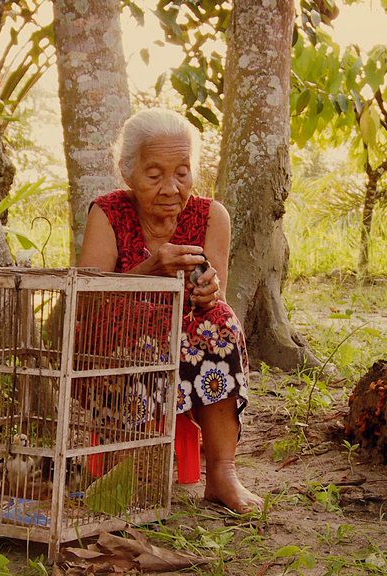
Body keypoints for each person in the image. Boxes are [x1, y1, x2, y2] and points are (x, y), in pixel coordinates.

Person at [77, 108, 263, 513]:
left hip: (186, 335)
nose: (170, 187)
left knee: (220, 325)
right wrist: (150, 269)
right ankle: (132, 469)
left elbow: (214, 297)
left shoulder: (211, 215)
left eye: (182, 172)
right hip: (116, 336)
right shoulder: (107, 213)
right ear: (128, 172)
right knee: (144, 338)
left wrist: (207, 291)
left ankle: (222, 473)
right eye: (155, 174)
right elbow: (88, 298)